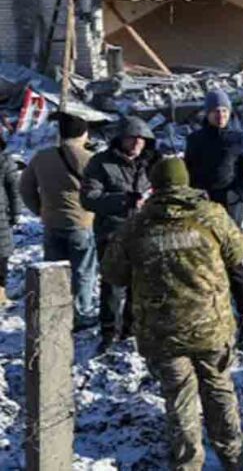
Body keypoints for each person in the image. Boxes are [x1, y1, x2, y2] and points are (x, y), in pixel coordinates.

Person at [102, 157, 243, 471]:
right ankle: (233, 455)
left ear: (153, 185)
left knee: (180, 398)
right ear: (187, 182)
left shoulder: (136, 224)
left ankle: (187, 463)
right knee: (219, 387)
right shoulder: (211, 216)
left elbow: (113, 273)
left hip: (162, 331)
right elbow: (237, 254)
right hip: (211, 325)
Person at [185, 89, 243, 349]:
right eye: (215, 111)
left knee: (233, 262)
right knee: (201, 263)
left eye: (224, 111)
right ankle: (207, 314)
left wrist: (239, 194)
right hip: (200, 209)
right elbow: (188, 172)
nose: (220, 115)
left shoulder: (241, 140)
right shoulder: (195, 140)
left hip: (229, 209)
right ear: (207, 113)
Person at [82, 116, 157, 351]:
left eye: (141, 138)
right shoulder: (100, 163)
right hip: (112, 232)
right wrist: (124, 200)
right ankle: (108, 331)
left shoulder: (152, 162)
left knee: (140, 283)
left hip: (144, 231)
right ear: (120, 139)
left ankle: (130, 328)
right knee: (113, 285)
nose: (137, 143)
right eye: (131, 138)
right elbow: (89, 198)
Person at [19, 112, 97, 328]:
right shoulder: (89, 159)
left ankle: (53, 312)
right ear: (83, 134)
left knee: (53, 272)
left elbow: (25, 187)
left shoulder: (41, 157)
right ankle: (82, 313)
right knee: (83, 271)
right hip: (81, 224)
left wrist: (40, 210)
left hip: (52, 223)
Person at [0, 132, 22, 308]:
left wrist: (15, 212)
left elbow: (14, 189)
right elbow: (14, 189)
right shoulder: (5, 160)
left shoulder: (5, 161)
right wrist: (15, 213)